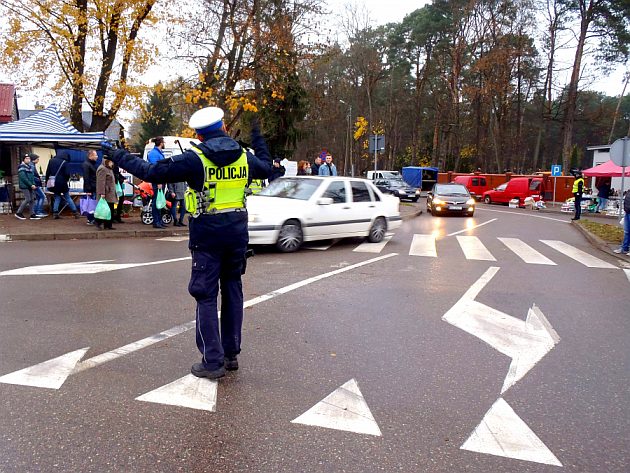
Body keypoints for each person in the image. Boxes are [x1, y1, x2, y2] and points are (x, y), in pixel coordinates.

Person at [102, 106, 272, 379]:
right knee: (232, 291)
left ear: (199, 136)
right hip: (237, 235)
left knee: (205, 295)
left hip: (207, 236)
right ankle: (230, 355)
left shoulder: (195, 159)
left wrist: (117, 154)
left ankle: (212, 361)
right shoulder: (245, 157)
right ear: (225, 128)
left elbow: (151, 171)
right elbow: (267, 167)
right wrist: (258, 137)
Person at [45, 150, 80, 219]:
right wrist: (66, 180)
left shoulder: (51, 161)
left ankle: (55, 213)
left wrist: (47, 181)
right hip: (63, 182)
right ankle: (75, 212)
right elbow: (67, 174)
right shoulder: (65, 162)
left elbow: (48, 172)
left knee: (57, 197)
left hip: (54, 183)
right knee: (67, 197)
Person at [147, 137, 167, 229]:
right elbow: (156, 169)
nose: (164, 144)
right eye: (163, 142)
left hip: (161, 180)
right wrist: (158, 181)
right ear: (161, 143)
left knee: (160, 200)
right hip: (158, 181)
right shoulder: (154, 154)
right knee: (156, 201)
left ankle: (159, 221)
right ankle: (156, 222)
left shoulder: (157, 153)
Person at [15, 155, 39, 220]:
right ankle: (18, 212)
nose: (28, 160)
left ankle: (32, 214)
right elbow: (23, 178)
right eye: (26, 158)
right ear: (23, 160)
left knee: (32, 199)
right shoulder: (21, 167)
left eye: (29, 158)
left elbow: (32, 177)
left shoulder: (30, 167)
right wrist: (31, 185)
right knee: (28, 199)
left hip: (30, 186)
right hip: (25, 186)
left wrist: (33, 184)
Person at [95, 158, 117, 230]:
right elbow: (101, 182)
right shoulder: (102, 169)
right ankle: (99, 223)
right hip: (106, 193)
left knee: (110, 209)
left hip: (109, 192)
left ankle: (108, 225)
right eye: (111, 161)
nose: (113, 163)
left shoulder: (108, 168)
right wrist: (102, 193)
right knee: (103, 209)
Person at [82, 150, 99, 225]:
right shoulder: (87, 165)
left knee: (93, 204)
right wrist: (88, 189)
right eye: (95, 155)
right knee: (91, 204)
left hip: (94, 187)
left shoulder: (91, 164)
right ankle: (91, 219)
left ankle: (92, 218)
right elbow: (86, 177)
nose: (97, 156)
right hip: (91, 188)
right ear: (90, 156)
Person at [29, 154, 48, 218]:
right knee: (42, 196)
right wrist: (38, 180)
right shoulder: (32, 166)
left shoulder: (31, 165)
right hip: (35, 184)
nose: (38, 160)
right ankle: (38, 211)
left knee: (38, 197)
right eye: (37, 159)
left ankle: (36, 211)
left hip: (34, 184)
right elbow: (32, 176)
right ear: (34, 159)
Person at [614, 190, 630, 256]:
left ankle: (624, 248)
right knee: (627, 232)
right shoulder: (629, 192)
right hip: (627, 212)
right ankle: (624, 248)